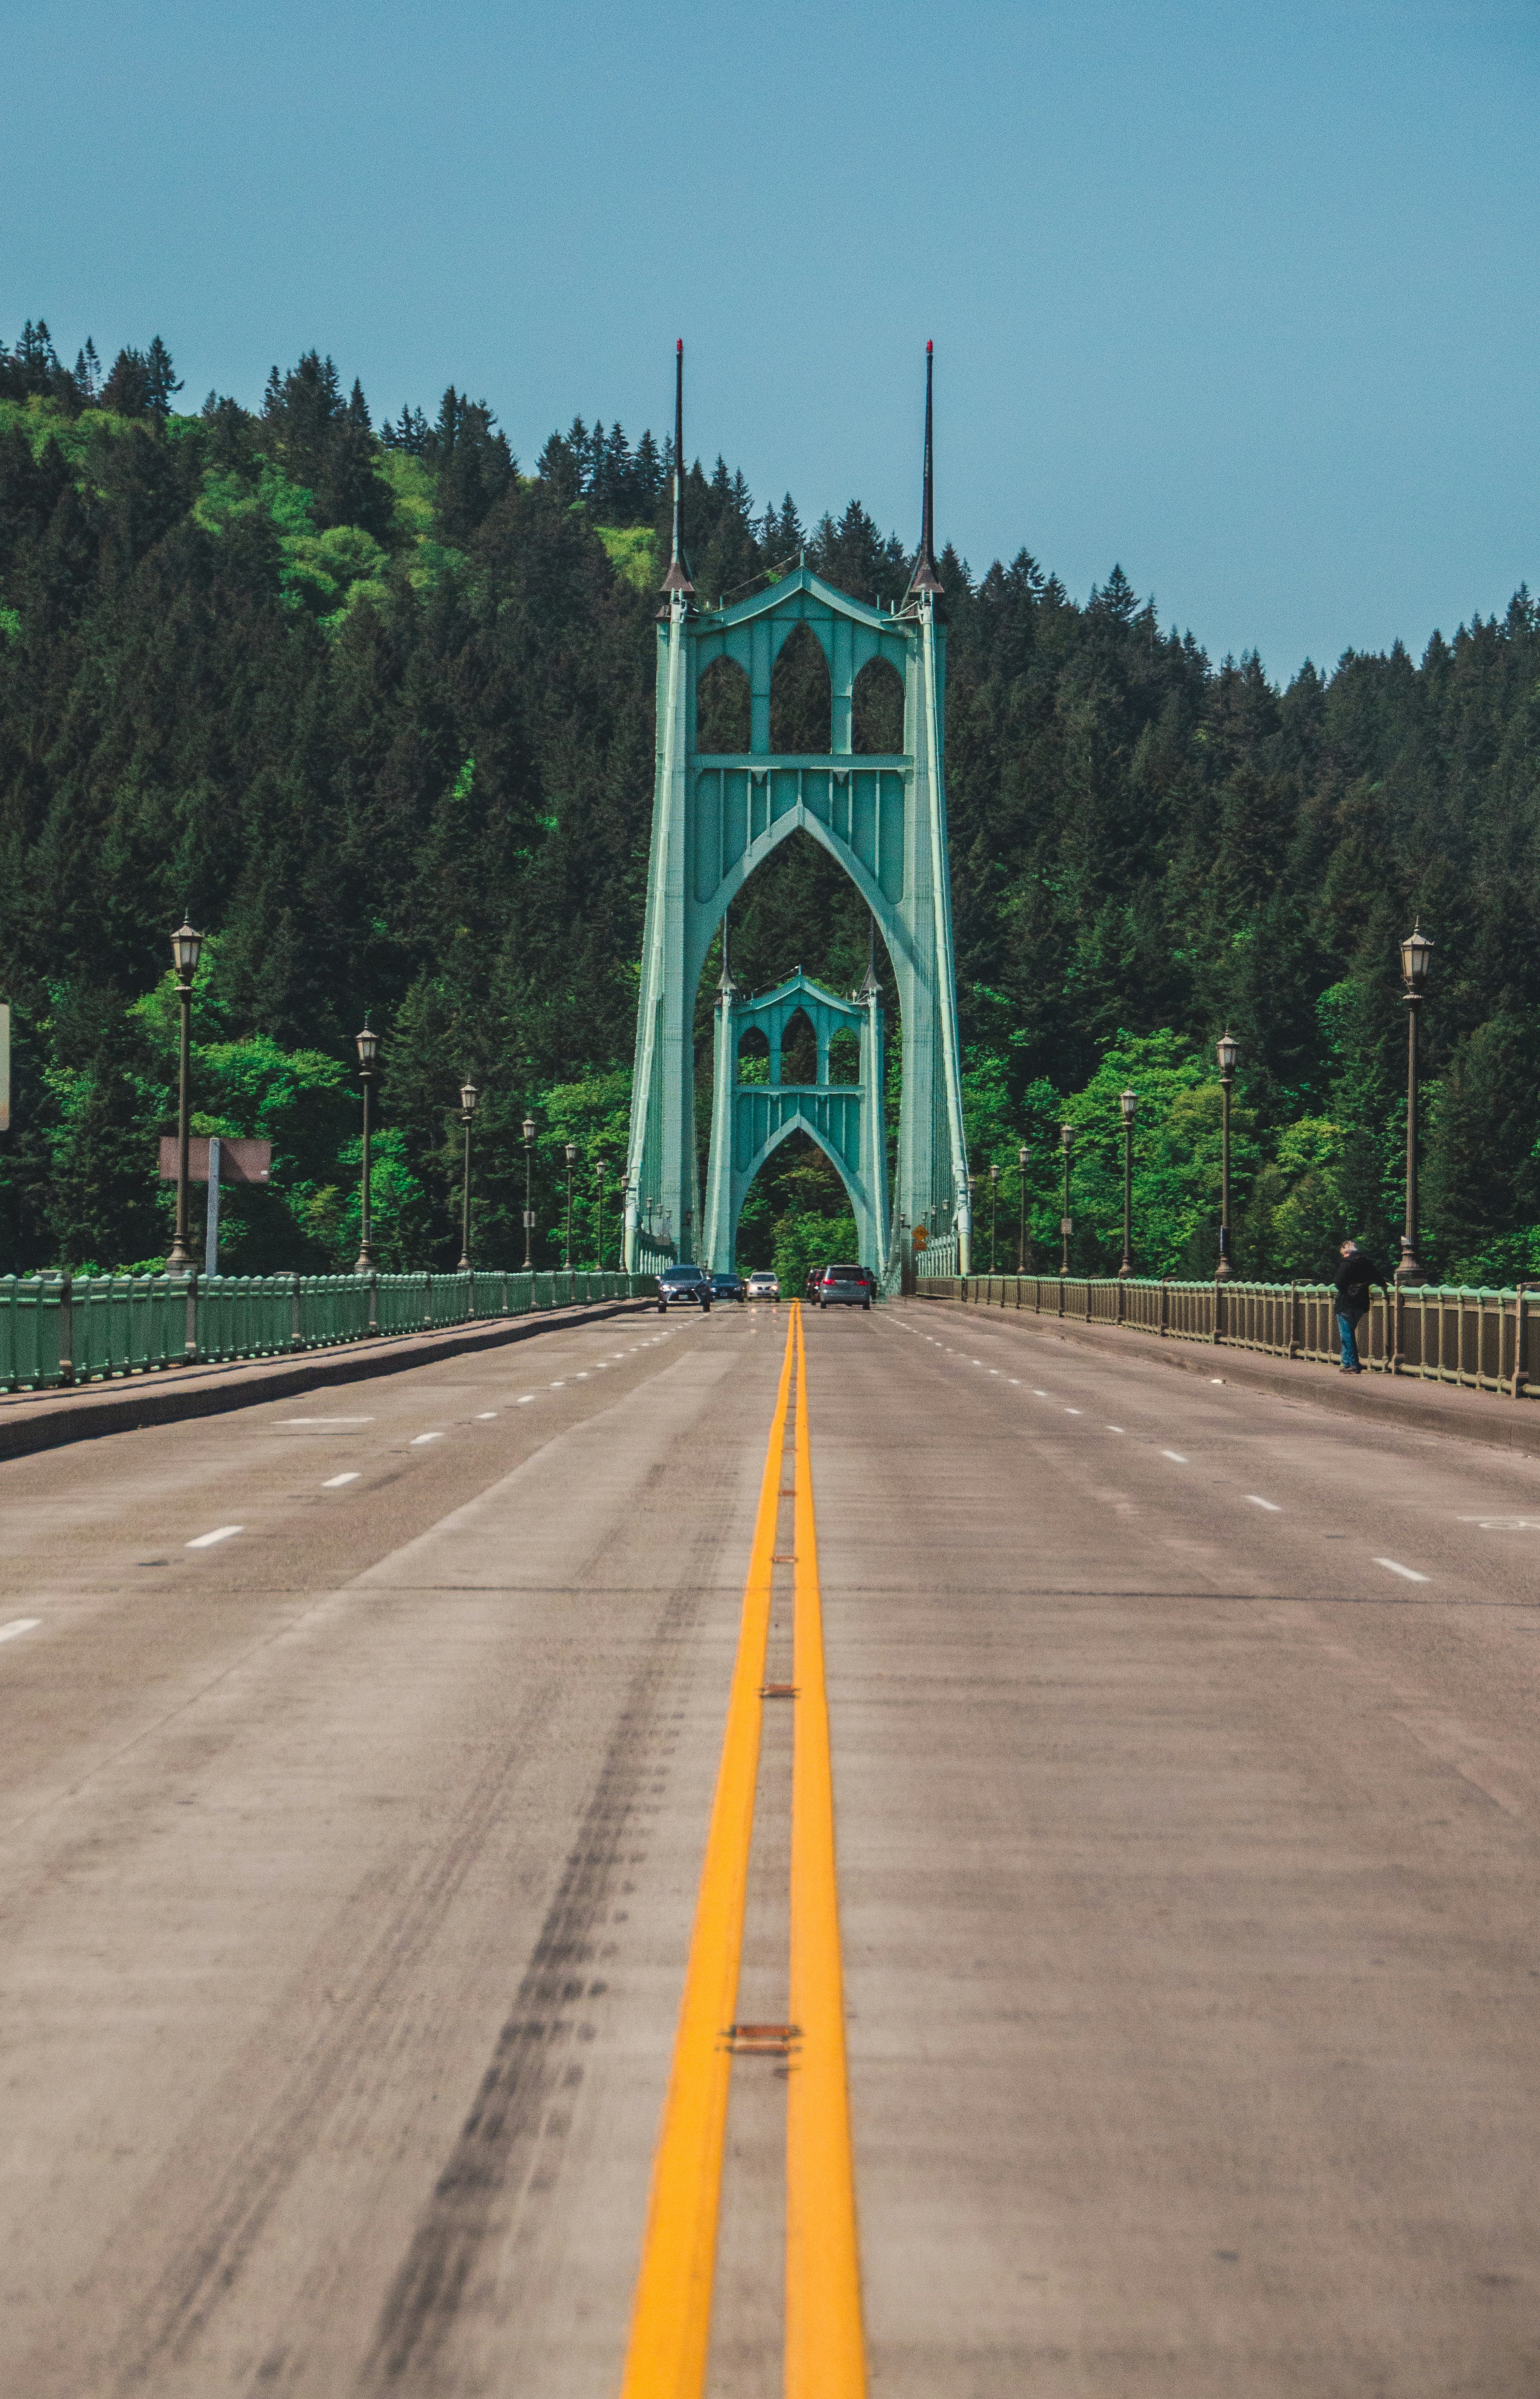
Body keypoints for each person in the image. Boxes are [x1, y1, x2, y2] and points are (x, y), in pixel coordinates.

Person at [1333, 1239, 1383, 1373]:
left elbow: (1338, 1282)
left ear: (1346, 1252)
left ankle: (1353, 1364)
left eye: (1343, 1254)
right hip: (1361, 1303)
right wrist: (1384, 1285)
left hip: (1346, 1302)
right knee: (1348, 1333)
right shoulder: (1365, 1262)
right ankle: (1346, 1363)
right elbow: (1378, 1277)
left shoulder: (1347, 1264)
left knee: (1346, 1335)